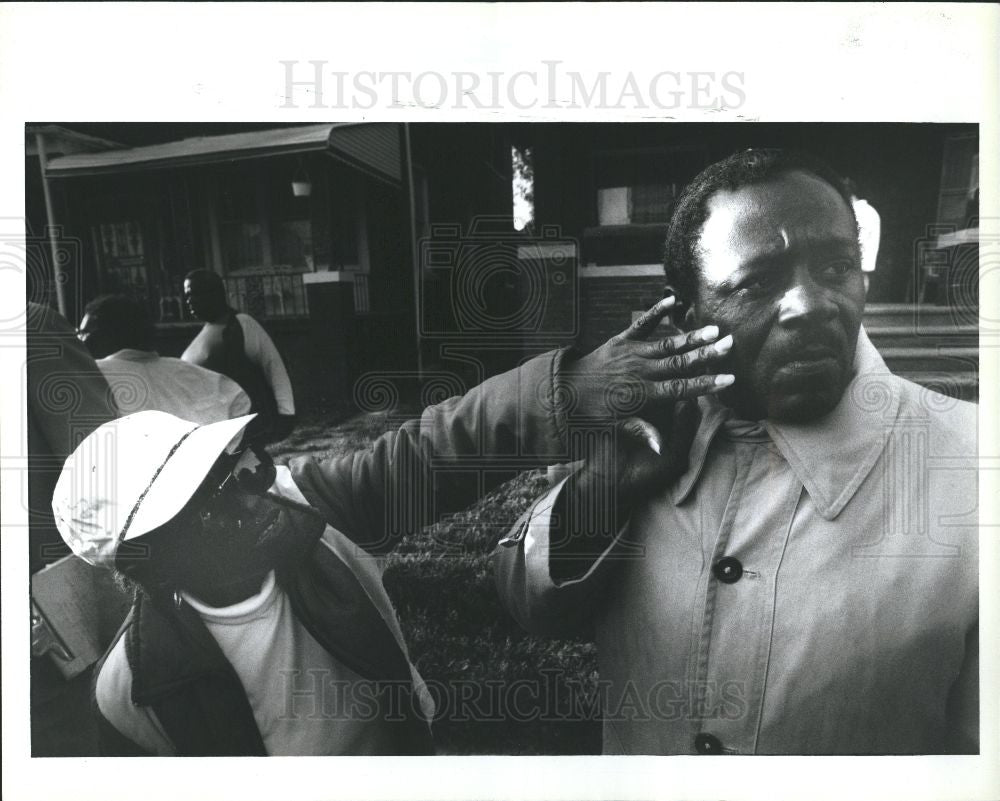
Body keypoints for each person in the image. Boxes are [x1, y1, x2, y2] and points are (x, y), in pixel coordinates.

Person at [493, 149, 978, 755]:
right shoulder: (639, 436)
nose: (812, 304)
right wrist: (599, 491)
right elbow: (529, 608)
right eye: (757, 282)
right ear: (690, 317)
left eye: (836, 267)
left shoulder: (976, 468)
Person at [54, 329, 730, 756]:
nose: (253, 489)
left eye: (238, 463)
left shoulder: (301, 512)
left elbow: (430, 455)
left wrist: (565, 392)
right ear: (144, 563)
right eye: (204, 502)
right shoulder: (135, 695)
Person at [26, 301, 121, 756]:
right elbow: (104, 466)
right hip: (44, 618)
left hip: (48, 610)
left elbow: (98, 462)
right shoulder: (26, 326)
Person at [78, 293, 251, 424]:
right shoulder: (187, 372)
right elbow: (238, 402)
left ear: (107, 335)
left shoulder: (90, 376)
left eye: (84, 332)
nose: (79, 338)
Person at [181, 269, 296, 444]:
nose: (188, 301)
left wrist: (286, 413)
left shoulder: (241, 325)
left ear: (215, 293)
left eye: (194, 294)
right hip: (211, 433)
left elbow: (274, 366)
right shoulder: (203, 335)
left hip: (243, 429)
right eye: (187, 296)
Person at [845, 178, 880, 294]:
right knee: (862, 276)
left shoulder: (858, 211)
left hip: (859, 250)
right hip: (865, 251)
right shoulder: (870, 210)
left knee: (857, 277)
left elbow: (860, 235)